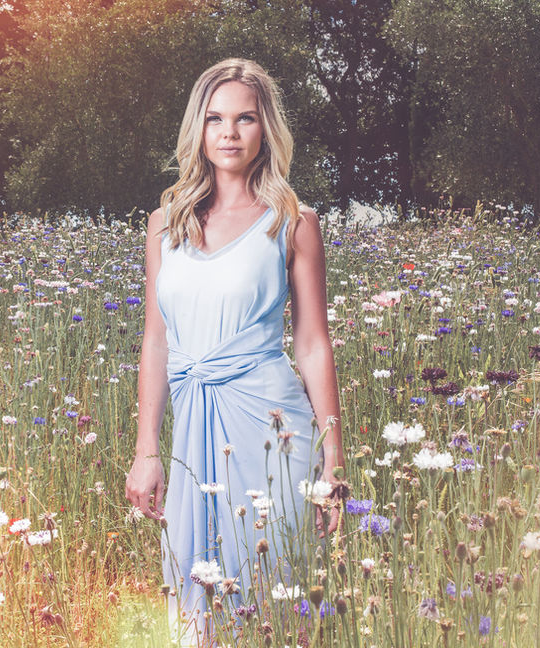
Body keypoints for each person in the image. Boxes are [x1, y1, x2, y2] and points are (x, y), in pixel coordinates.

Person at [124, 58, 345, 647]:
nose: (229, 132)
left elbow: (312, 342)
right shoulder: (164, 225)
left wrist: (334, 461)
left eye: (244, 119)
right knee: (192, 595)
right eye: (216, 118)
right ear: (198, 128)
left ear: (264, 129)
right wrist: (147, 450)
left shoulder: (293, 222)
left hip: (273, 428)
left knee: (272, 592)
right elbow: (157, 339)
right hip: (193, 428)